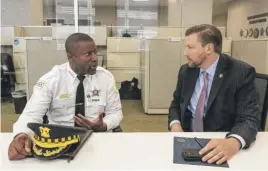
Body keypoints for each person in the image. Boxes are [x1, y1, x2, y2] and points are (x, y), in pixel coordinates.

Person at [8, 33, 123, 160]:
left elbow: (116, 113)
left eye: (95, 52)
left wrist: (104, 125)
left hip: (97, 138)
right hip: (59, 143)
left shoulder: (105, 78)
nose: (95, 58)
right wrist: (21, 134)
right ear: (70, 57)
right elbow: (31, 115)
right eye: (88, 54)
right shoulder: (51, 80)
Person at [168, 24, 261, 165]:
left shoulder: (241, 72)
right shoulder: (186, 71)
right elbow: (176, 104)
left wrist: (233, 142)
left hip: (221, 140)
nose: (185, 53)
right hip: (187, 140)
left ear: (209, 48)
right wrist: (175, 125)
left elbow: (249, 118)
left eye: (190, 47)